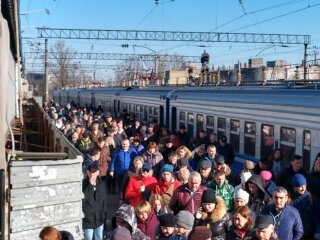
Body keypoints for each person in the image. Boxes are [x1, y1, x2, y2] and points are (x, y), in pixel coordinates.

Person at [82, 163, 107, 240]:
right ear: (87, 172)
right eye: (91, 172)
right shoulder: (83, 184)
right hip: (88, 220)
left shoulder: (101, 184)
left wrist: (104, 217)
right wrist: (90, 185)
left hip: (99, 218)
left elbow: (104, 201)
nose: (92, 174)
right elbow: (83, 199)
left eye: (94, 172)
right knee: (88, 238)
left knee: (99, 237)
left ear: (98, 172)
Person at [291, 173, 315, 238]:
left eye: (304, 186)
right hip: (294, 232)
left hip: (308, 233)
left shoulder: (310, 197)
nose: (303, 189)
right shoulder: (288, 199)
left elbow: (317, 215)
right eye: (300, 186)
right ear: (294, 187)